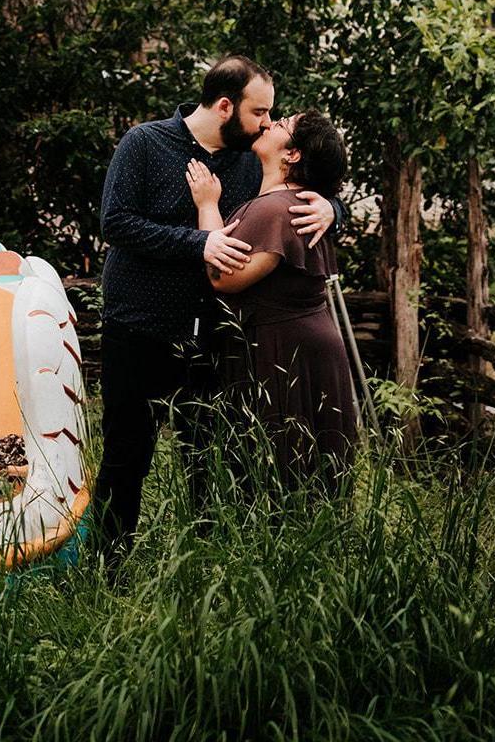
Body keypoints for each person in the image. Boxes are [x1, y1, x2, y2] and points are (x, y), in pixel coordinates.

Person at [90, 56, 339, 560]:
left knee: (213, 461)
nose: (267, 124)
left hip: (215, 340)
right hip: (139, 329)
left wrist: (334, 208)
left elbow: (297, 195)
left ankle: (205, 568)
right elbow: (115, 222)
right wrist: (198, 243)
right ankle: (105, 567)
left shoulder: (252, 160)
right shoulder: (145, 143)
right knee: (125, 457)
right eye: (259, 112)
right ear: (226, 106)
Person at [186, 111, 359, 492]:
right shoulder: (303, 203)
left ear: (292, 154)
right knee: (310, 474)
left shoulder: (274, 209)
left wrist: (207, 204)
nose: (270, 123)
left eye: (282, 124)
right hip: (311, 346)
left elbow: (222, 276)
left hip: (283, 350)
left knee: (280, 472)